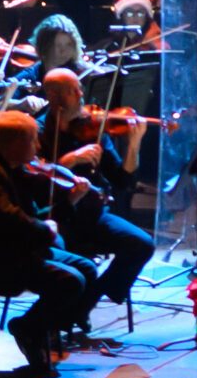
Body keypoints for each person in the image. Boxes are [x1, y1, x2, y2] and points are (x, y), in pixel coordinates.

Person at [0, 110, 102, 378]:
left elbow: (32, 215)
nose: (38, 148)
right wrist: (45, 229)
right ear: (14, 144)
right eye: (33, 141)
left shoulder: (14, 169)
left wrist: (69, 201)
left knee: (88, 269)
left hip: (19, 248)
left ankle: (43, 330)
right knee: (71, 282)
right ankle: (28, 327)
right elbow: (13, 219)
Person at [36, 68, 155, 326]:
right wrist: (69, 160)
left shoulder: (93, 129)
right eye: (72, 90)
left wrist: (134, 145)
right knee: (66, 259)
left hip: (93, 216)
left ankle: (86, 303)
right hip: (57, 220)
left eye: (80, 88)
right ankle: (60, 313)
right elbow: (33, 180)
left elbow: (122, 181)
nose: (81, 95)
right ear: (53, 96)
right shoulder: (38, 130)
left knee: (143, 244)